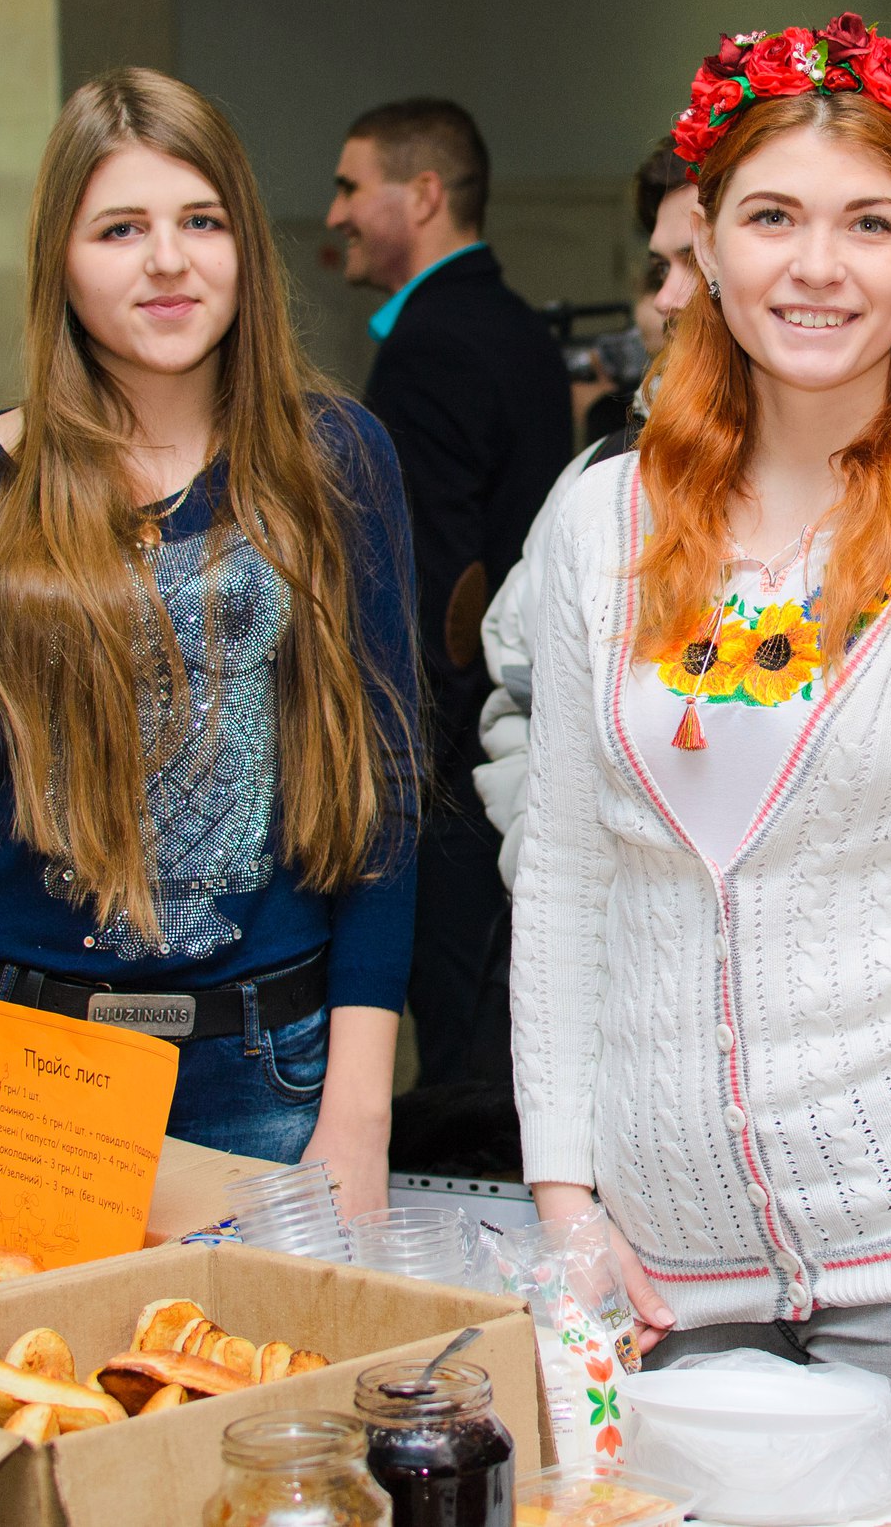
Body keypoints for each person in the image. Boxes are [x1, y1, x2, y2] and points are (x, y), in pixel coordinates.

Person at [511, 16, 891, 1512]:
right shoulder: (599, 524)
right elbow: (565, 881)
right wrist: (567, 1201)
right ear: (705, 241)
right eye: (772, 216)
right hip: (662, 1274)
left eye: (869, 224)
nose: (816, 266)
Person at [0, 69, 419, 1207]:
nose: (168, 260)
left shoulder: (338, 461)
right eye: (120, 228)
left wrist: (360, 1110)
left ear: (247, 247)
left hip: (264, 1069)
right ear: (61, 259)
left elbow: (381, 790)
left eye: (202, 221)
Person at [326, 97, 569, 1091]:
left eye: (350, 187)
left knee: (465, 1060)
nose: (334, 214)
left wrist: (403, 780)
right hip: (508, 748)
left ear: (423, 194)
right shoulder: (512, 322)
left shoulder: (434, 342)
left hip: (454, 771)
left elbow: (433, 590)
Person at [474, 137, 700, 893]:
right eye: (659, 271)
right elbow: (519, 698)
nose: (667, 301)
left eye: (697, 263)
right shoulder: (600, 483)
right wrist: (561, 878)